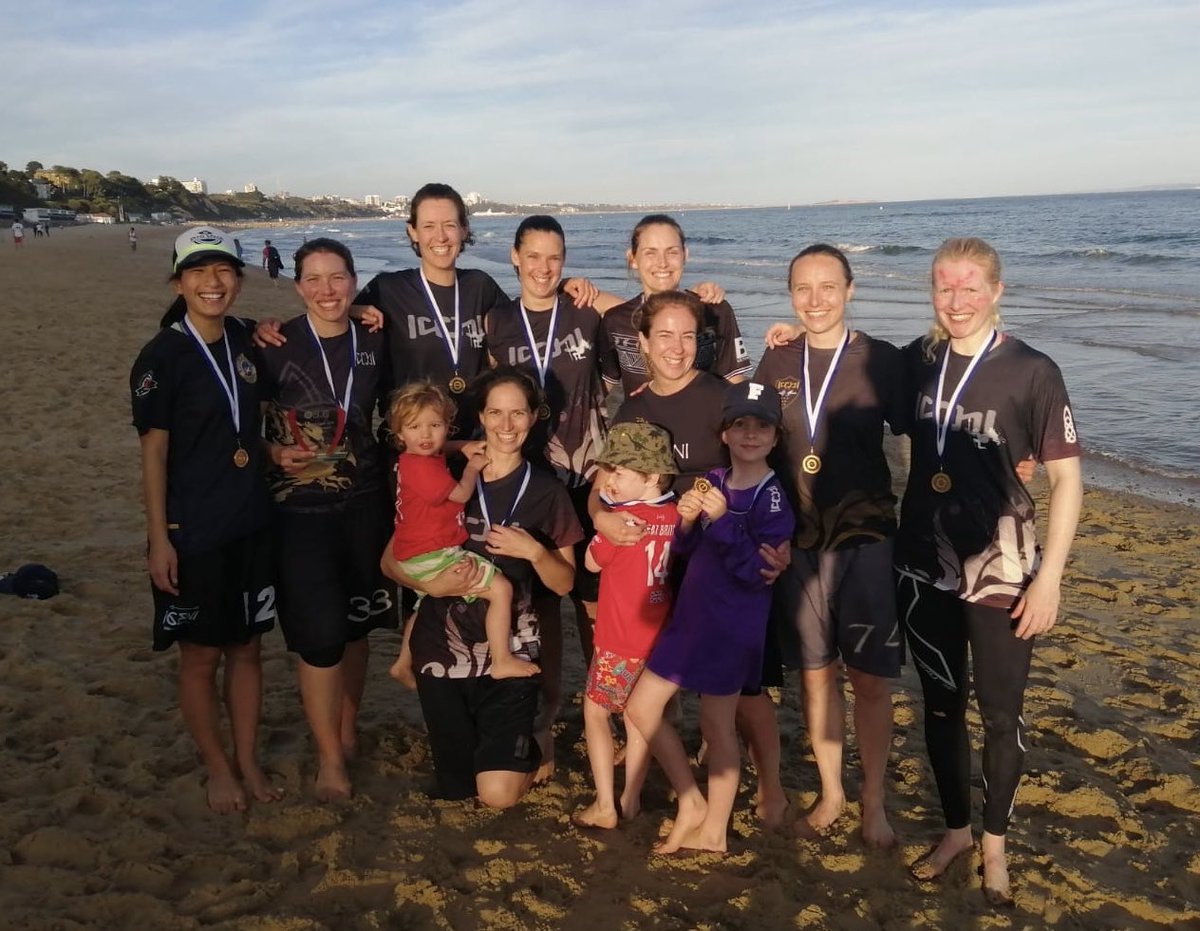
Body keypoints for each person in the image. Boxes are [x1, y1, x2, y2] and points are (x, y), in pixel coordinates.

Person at [895, 237, 1082, 905]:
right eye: (946, 287)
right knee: (941, 708)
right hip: (922, 565)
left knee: (1001, 716)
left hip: (1004, 572)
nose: (958, 300)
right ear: (933, 293)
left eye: (971, 287)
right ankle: (955, 832)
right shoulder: (917, 362)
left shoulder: (1033, 370)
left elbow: (1066, 478)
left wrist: (1051, 577)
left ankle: (995, 843)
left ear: (996, 291)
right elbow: (846, 367)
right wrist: (789, 333)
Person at [599, 289, 792, 826]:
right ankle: (691, 792)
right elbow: (607, 479)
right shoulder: (634, 406)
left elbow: (769, 469)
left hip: (728, 568)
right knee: (667, 681)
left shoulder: (721, 400)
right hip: (668, 560)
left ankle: (772, 789)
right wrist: (599, 516)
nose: (676, 347)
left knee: (745, 692)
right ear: (641, 342)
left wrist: (785, 541)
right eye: (664, 335)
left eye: (688, 336)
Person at [755, 244, 908, 846]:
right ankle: (832, 792)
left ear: (850, 289)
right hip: (797, 546)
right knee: (815, 677)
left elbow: (934, 423)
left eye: (827, 287)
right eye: (802, 289)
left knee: (869, 681)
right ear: (790, 294)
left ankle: (873, 803)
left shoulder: (882, 361)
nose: (815, 300)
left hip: (865, 540)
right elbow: (750, 439)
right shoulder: (777, 358)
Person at [382, 367, 583, 808]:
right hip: (443, 647)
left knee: (497, 796)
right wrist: (430, 585)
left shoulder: (547, 491)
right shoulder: (444, 471)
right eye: (495, 413)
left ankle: (533, 734)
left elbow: (565, 583)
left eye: (517, 413)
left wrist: (534, 552)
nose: (506, 425)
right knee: (458, 791)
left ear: (534, 417)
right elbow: (390, 561)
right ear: (481, 415)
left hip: (507, 647)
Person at [129, 225, 279, 814]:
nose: (212, 283)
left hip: (251, 521)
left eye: (223, 272)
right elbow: (155, 454)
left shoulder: (247, 339)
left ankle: (247, 760)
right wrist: (160, 540)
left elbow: (246, 431)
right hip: (192, 532)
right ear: (178, 281)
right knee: (200, 656)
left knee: (247, 649)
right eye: (198, 272)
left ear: (239, 281)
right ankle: (218, 768)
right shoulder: (161, 356)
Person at [626, 381, 795, 854]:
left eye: (761, 426)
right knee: (640, 707)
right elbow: (686, 549)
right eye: (739, 424)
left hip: (731, 627)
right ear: (723, 433)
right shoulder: (714, 481)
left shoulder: (773, 498)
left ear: (776, 437)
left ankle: (715, 831)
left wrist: (723, 522)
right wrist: (685, 520)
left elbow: (756, 572)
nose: (749, 434)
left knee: (716, 727)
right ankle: (691, 801)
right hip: (690, 618)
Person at [256, 237, 398, 800]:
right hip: (299, 513)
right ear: (297, 287)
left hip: (365, 503)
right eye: (313, 279)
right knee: (319, 638)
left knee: (357, 627)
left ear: (354, 280)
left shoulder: (374, 335)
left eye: (337, 277)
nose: (326, 290)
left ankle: (346, 729)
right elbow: (243, 419)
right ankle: (328, 759)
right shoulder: (274, 342)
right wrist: (269, 453)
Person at [485, 214, 610, 780]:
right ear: (515, 257)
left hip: (586, 482)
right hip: (527, 486)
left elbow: (648, 320)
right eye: (533, 256)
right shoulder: (498, 322)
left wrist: (710, 299)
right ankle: (546, 731)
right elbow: (488, 396)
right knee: (541, 616)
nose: (543, 268)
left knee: (593, 610)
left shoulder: (584, 308)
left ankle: (613, 719)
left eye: (554, 258)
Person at [571, 422, 679, 830]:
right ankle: (630, 797)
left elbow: (591, 563)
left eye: (620, 471)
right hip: (658, 635)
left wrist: (606, 516)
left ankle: (604, 803)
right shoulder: (672, 514)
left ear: (651, 476)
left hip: (621, 636)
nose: (610, 480)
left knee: (597, 712)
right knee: (639, 719)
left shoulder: (624, 522)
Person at [385, 382, 530, 685]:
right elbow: (461, 495)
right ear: (399, 434)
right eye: (415, 427)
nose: (425, 435)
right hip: (434, 552)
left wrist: (459, 445)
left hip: (414, 551)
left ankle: (402, 662)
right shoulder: (425, 469)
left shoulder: (413, 458)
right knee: (501, 590)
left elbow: (435, 447)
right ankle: (502, 660)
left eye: (434, 425)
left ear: (447, 427)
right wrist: (472, 466)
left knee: (425, 601)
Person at [597, 214, 750, 395]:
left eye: (672, 252)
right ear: (633, 258)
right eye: (650, 253)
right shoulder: (615, 320)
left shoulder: (715, 311)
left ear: (685, 255)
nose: (662, 263)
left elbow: (734, 382)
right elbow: (603, 385)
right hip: (640, 422)